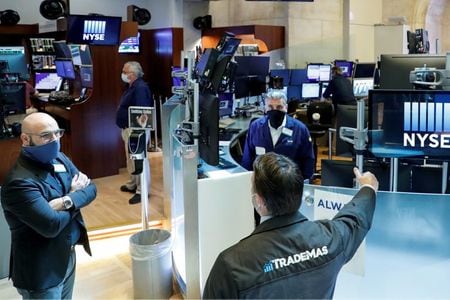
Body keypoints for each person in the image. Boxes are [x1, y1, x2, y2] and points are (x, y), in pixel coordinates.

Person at [203, 152, 378, 299]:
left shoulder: (231, 265)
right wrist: (368, 188)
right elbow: (356, 218)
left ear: (258, 201)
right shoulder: (331, 239)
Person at [1, 112, 97, 299]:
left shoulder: (60, 158)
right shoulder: (19, 182)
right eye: (46, 136)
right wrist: (75, 195)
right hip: (42, 270)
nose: (54, 140)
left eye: (57, 133)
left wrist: (66, 201)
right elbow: (50, 225)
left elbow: (91, 189)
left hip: (67, 255)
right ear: (25, 139)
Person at [241, 89, 315, 181]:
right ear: (265, 108)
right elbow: (247, 158)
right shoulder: (255, 127)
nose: (274, 110)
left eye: (279, 107)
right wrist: (246, 180)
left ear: (286, 108)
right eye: (270, 107)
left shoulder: (300, 129)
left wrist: (305, 184)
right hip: (263, 181)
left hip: (289, 182)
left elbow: (308, 160)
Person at [115, 61, 154, 205]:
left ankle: (142, 190)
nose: (123, 74)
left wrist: (138, 132)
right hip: (128, 128)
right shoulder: (131, 87)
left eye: (125, 72)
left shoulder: (140, 88)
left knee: (139, 160)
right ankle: (133, 183)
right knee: (130, 159)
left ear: (132, 74)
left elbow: (142, 111)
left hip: (137, 130)